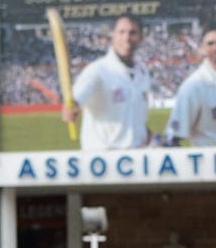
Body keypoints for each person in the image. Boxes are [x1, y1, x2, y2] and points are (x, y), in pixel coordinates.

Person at [63, 14, 151, 150]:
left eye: (132, 33)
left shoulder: (142, 72)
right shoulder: (97, 70)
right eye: (121, 32)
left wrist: (153, 138)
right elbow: (74, 101)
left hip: (136, 159)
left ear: (140, 37)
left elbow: (134, 120)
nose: (127, 38)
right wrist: (71, 108)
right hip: (104, 160)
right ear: (113, 36)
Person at [164, 22, 216, 146]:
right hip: (209, 160)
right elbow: (174, 136)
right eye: (210, 44)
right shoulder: (193, 86)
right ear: (203, 48)